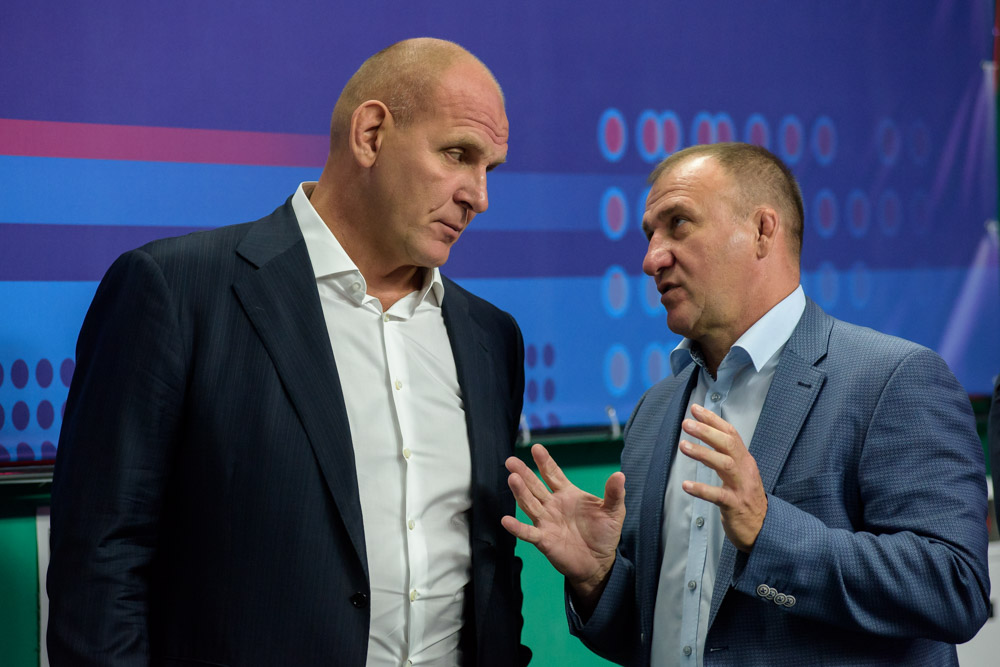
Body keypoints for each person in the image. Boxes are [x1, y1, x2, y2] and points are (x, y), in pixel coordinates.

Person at [48, 38, 530, 667]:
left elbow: (491, 572)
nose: (479, 196)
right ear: (371, 134)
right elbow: (101, 565)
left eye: (490, 168)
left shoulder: (492, 337)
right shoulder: (176, 291)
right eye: (458, 154)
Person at [503, 143, 991, 666]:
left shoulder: (893, 379)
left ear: (762, 230)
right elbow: (670, 631)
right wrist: (598, 577)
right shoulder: (654, 411)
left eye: (679, 224)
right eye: (649, 235)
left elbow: (955, 589)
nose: (651, 260)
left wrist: (767, 531)